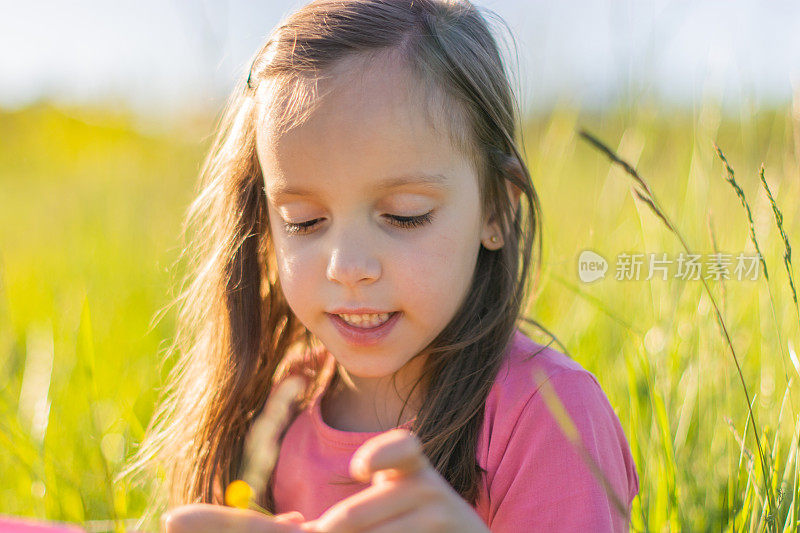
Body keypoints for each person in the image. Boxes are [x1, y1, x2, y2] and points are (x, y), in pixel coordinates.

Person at [123, 0, 639, 531]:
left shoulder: (549, 415)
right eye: (303, 221)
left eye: (404, 216)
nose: (348, 267)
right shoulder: (279, 403)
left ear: (497, 209)